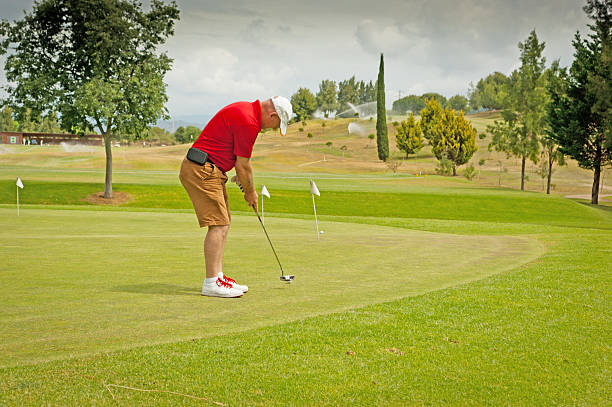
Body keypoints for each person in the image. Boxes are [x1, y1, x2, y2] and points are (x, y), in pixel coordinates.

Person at [179, 96, 293, 298]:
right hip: (202, 169)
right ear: (272, 114)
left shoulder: (246, 111)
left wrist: (244, 181)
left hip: (210, 168)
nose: (274, 129)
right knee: (219, 223)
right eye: (277, 125)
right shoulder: (249, 121)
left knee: (224, 221)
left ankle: (218, 277)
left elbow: (236, 159)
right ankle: (211, 282)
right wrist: (251, 192)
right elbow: (243, 165)